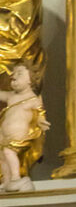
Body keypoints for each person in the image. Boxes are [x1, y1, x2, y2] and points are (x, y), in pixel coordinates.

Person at [0, 62, 48, 192]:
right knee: (2, 156)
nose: (14, 77)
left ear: (30, 80)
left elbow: (40, 112)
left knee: (9, 152)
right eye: (13, 75)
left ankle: (16, 178)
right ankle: (7, 180)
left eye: (19, 74)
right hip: (3, 132)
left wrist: (42, 121)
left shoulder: (33, 99)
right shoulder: (11, 96)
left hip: (18, 132)